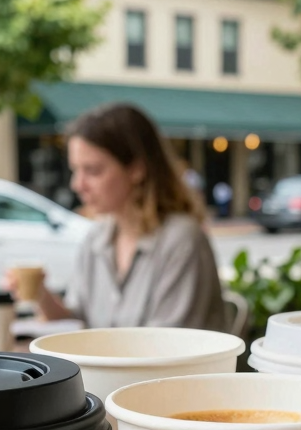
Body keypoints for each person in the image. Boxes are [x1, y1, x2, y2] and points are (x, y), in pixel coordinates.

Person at [20, 103, 227, 331]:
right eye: (75, 170)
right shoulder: (97, 238)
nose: (77, 185)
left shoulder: (181, 241)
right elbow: (78, 321)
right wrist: (40, 295)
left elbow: (168, 350)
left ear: (136, 169)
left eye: (93, 170)